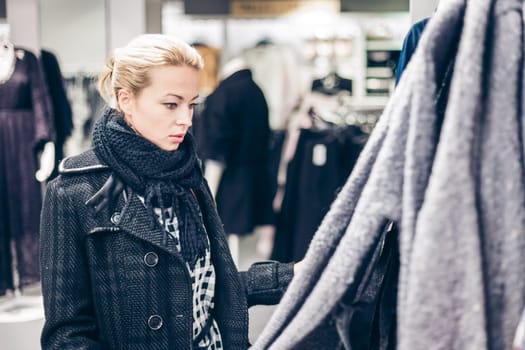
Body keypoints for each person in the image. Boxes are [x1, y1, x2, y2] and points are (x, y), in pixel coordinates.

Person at [39, 34, 296, 350]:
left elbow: (205, 289)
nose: (186, 120)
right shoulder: (73, 191)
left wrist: (297, 274)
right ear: (125, 100)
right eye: (171, 104)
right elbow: (66, 337)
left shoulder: (187, 175)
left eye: (192, 104)